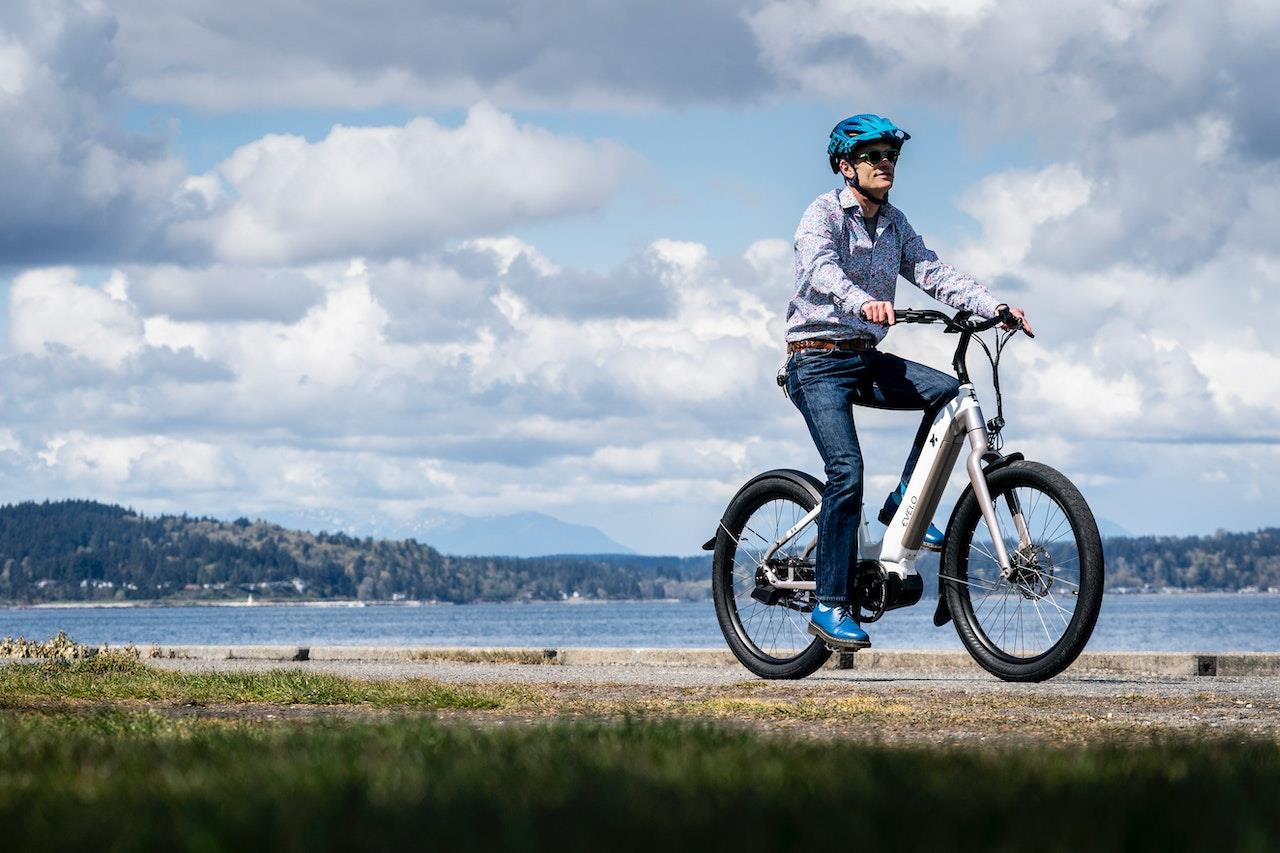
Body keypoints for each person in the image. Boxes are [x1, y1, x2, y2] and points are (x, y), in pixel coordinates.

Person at [784, 113, 1034, 649]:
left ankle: (903, 504)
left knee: (946, 392)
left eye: (891, 157)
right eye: (873, 157)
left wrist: (994, 307)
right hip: (815, 360)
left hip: (862, 356)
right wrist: (862, 301)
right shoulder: (821, 215)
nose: (885, 164)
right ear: (846, 166)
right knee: (846, 470)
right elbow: (819, 271)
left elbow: (931, 271)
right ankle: (829, 605)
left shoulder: (894, 222)